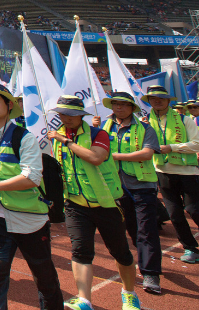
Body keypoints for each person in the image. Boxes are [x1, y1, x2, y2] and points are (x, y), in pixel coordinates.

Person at [0, 83, 63, 310]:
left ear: (9, 106)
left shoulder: (24, 137)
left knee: (44, 276)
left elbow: (32, 178)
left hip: (30, 219)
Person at [47, 95, 140, 310]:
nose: (65, 118)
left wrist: (66, 142)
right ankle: (84, 299)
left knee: (121, 252)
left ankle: (129, 294)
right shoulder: (56, 136)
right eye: (61, 114)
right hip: (75, 203)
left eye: (70, 114)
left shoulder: (98, 134)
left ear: (81, 115)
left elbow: (96, 157)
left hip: (107, 204)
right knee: (80, 251)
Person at [143, 85, 199, 263]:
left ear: (168, 100)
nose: (157, 101)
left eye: (161, 98)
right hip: (162, 171)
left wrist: (172, 148)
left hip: (187, 172)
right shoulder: (144, 122)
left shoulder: (184, 120)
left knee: (194, 210)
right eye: (153, 99)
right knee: (175, 214)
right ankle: (190, 248)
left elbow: (197, 145)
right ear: (149, 101)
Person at [100, 92, 163, 295]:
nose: (118, 108)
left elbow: (147, 153)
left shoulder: (145, 128)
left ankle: (150, 273)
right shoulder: (103, 127)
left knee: (147, 229)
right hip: (116, 187)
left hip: (142, 186)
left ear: (132, 108)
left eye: (123, 105)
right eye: (115, 105)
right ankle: (145, 255)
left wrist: (115, 155)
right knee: (132, 228)